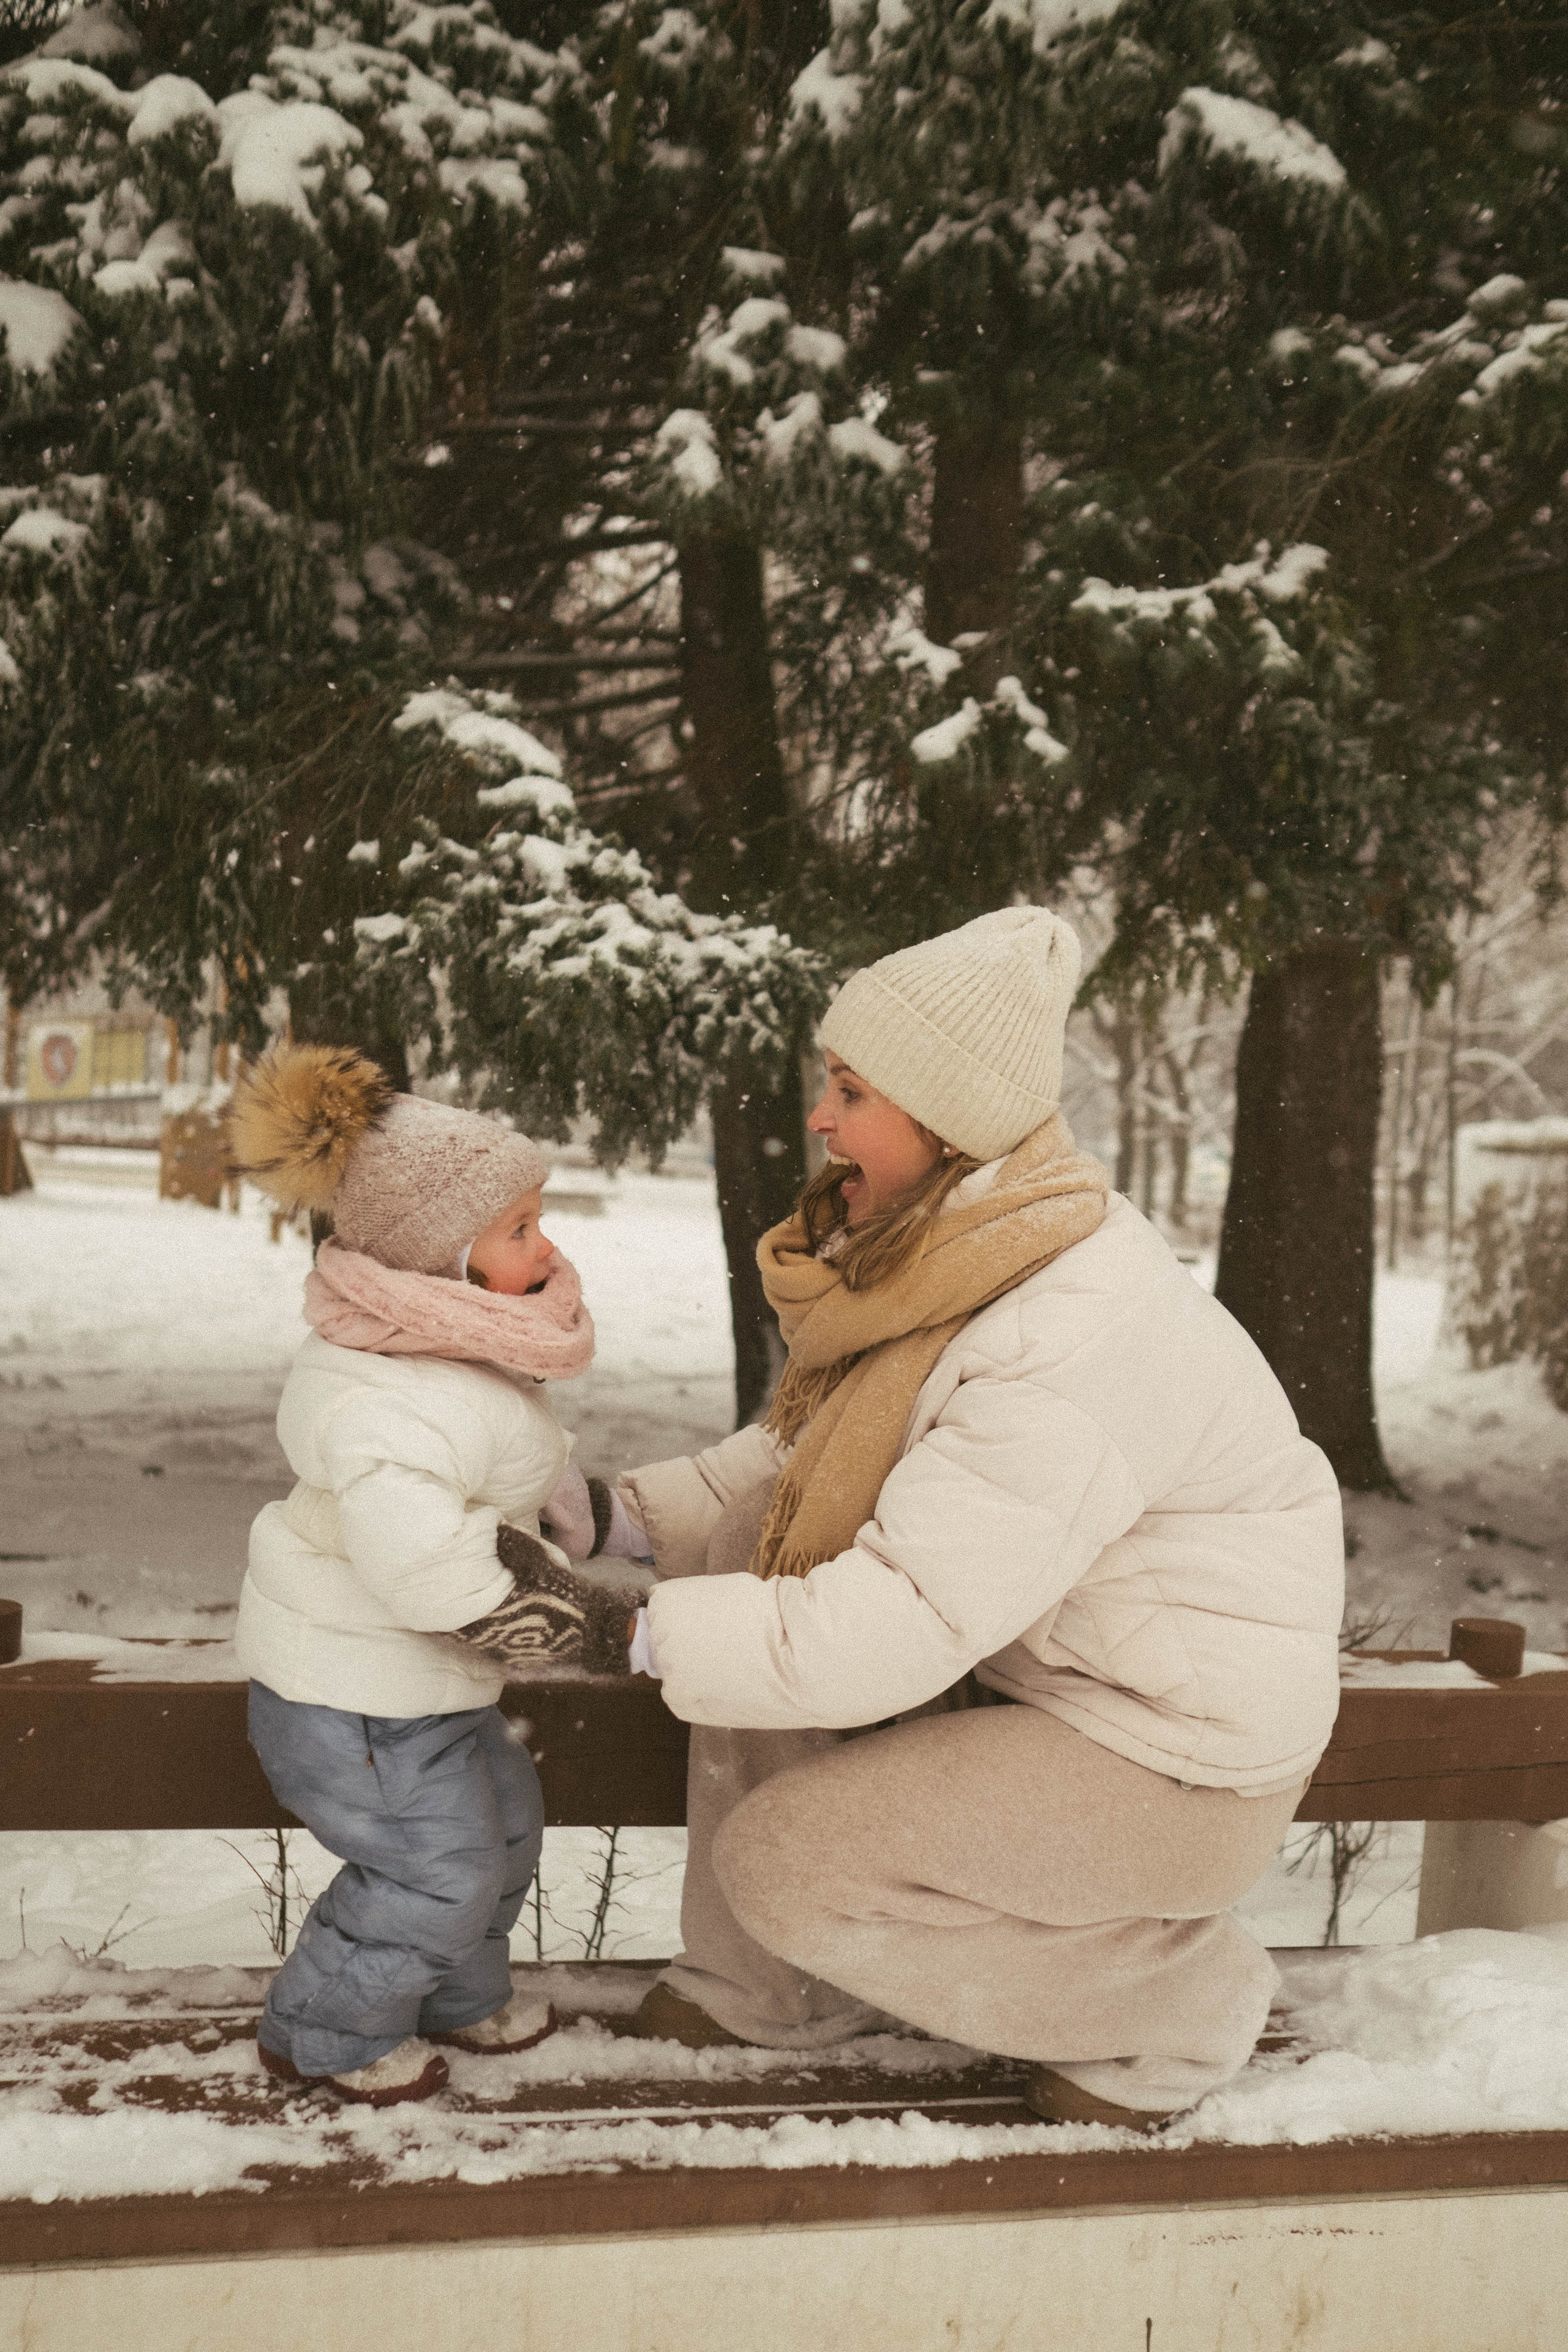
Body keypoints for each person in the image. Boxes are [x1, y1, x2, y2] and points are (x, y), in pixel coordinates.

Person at [568, 906, 1345, 2129]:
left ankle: (1177, 2004)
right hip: (1052, 1689)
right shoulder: (969, 1254)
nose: (819, 1120)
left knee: (788, 1864)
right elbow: (809, 1462)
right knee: (757, 1533)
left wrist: (629, 1635)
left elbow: (905, 1618)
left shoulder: (1071, 1334)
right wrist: (605, 1522)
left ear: (945, 1121)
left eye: (850, 1091)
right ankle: (774, 1991)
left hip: (1171, 1769)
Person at [228, 1044, 641, 2108]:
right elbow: (427, 1566)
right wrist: (582, 1625)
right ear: (441, 1261)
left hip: (421, 1689)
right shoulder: (378, 1399)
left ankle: (457, 1995)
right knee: (436, 1867)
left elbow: (493, 1455)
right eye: (519, 1229)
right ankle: (324, 2031)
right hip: (352, 1699)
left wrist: (571, 1506)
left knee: (502, 1834)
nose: (547, 1247)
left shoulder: (442, 1352)